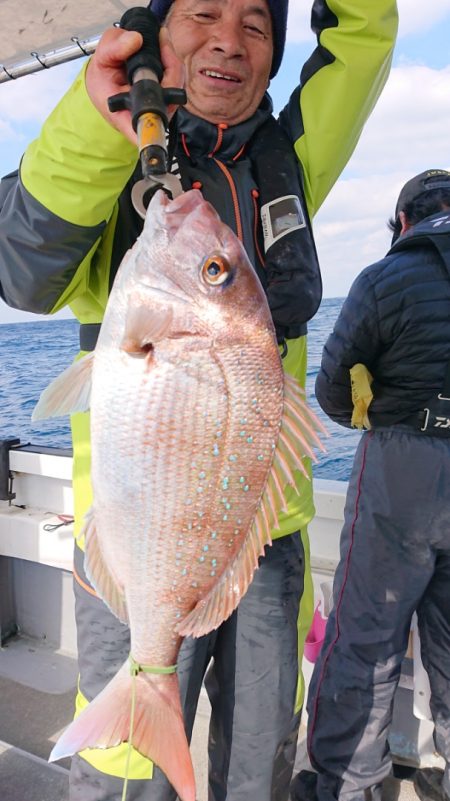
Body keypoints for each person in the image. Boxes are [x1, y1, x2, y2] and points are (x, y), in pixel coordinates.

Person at [0, 1, 398, 799]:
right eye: (202, 13)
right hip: (136, 544)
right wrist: (98, 111)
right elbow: (22, 265)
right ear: (158, 35)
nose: (229, 39)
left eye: (257, 24)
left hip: (267, 538)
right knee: (125, 772)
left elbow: (362, 43)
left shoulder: (290, 161)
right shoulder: (116, 183)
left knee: (258, 758)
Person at [291, 169, 450, 801]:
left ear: (403, 222)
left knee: (366, 636)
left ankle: (348, 783)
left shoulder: (386, 277)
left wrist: (377, 404)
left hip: (402, 473)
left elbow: (333, 391)